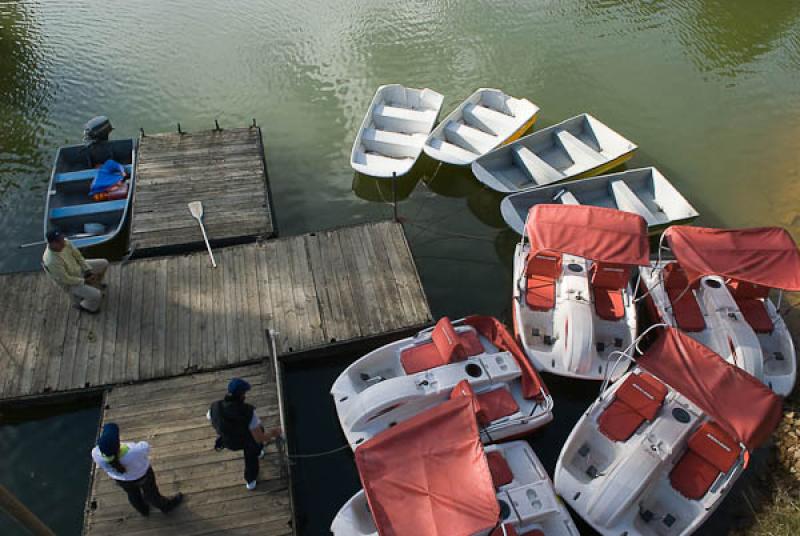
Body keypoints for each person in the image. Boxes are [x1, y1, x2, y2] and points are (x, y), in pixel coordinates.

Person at [91, 423, 183, 516]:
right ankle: (165, 506)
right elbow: (145, 446)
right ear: (118, 443)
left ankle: (143, 510)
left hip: (122, 480)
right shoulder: (134, 450)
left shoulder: (95, 453)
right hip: (143, 476)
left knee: (133, 495)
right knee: (152, 493)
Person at [208, 378, 282, 490]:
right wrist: (274, 433)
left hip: (227, 442)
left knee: (252, 435)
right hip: (244, 441)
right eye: (245, 393)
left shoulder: (215, 407)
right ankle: (255, 463)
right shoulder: (248, 412)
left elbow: (210, 418)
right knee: (254, 445)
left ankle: (250, 482)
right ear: (241, 395)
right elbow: (260, 438)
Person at [42, 230, 109, 313]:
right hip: (70, 283)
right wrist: (84, 280)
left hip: (78, 269)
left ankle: (94, 283)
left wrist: (88, 271)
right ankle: (86, 306)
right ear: (52, 244)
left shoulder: (65, 243)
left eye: (62, 239)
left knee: (104, 263)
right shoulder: (51, 261)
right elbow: (65, 279)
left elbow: (78, 256)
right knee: (97, 295)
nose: (63, 242)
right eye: (59, 241)